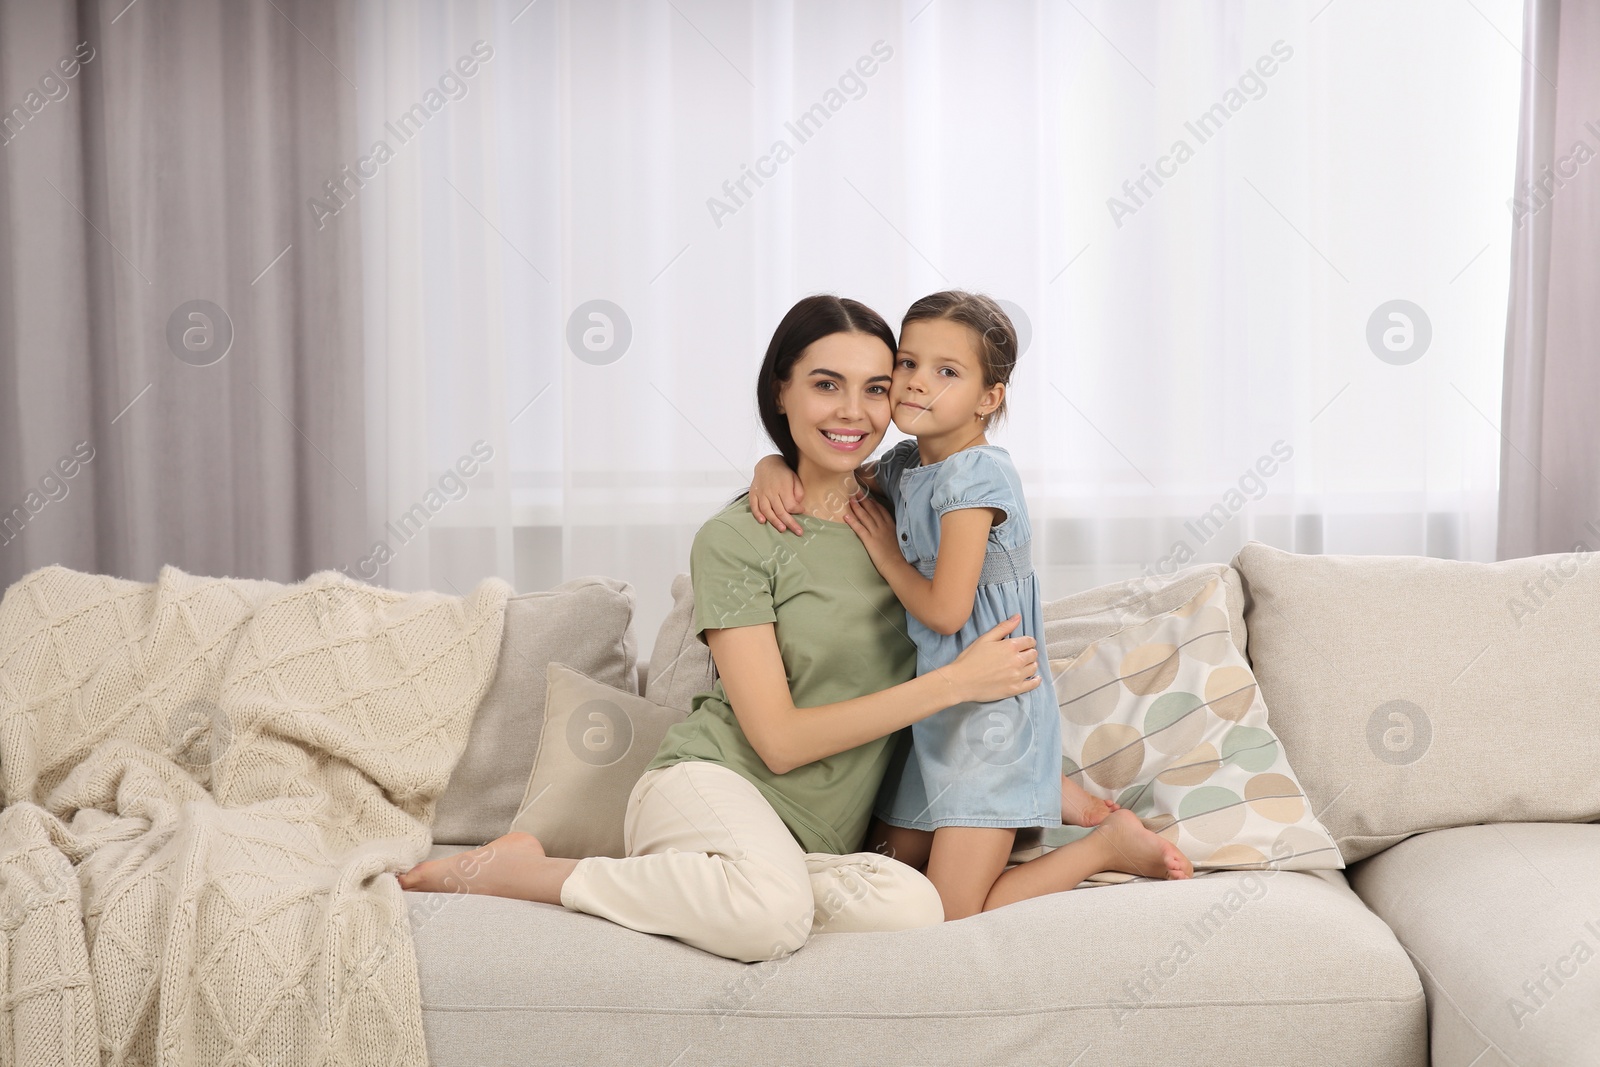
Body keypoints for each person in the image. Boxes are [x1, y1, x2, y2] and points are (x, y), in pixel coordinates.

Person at [399, 294, 1044, 962]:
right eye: (826, 385)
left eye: (875, 389)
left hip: (810, 840)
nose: (853, 411)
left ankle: (754, 885)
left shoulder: (902, 511)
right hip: (711, 786)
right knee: (768, 919)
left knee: (915, 907)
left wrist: (776, 466)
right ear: (782, 391)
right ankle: (526, 873)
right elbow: (780, 741)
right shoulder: (738, 538)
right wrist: (953, 684)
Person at [747, 291, 1191, 919]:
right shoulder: (909, 462)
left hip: (989, 709)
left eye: (946, 372)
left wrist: (887, 556)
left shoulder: (977, 476)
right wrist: (771, 462)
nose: (916, 384)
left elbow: (949, 612)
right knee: (879, 865)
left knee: (948, 911)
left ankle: (1104, 846)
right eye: (907, 364)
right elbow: (830, 471)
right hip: (935, 705)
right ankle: (1048, 797)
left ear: (990, 398)